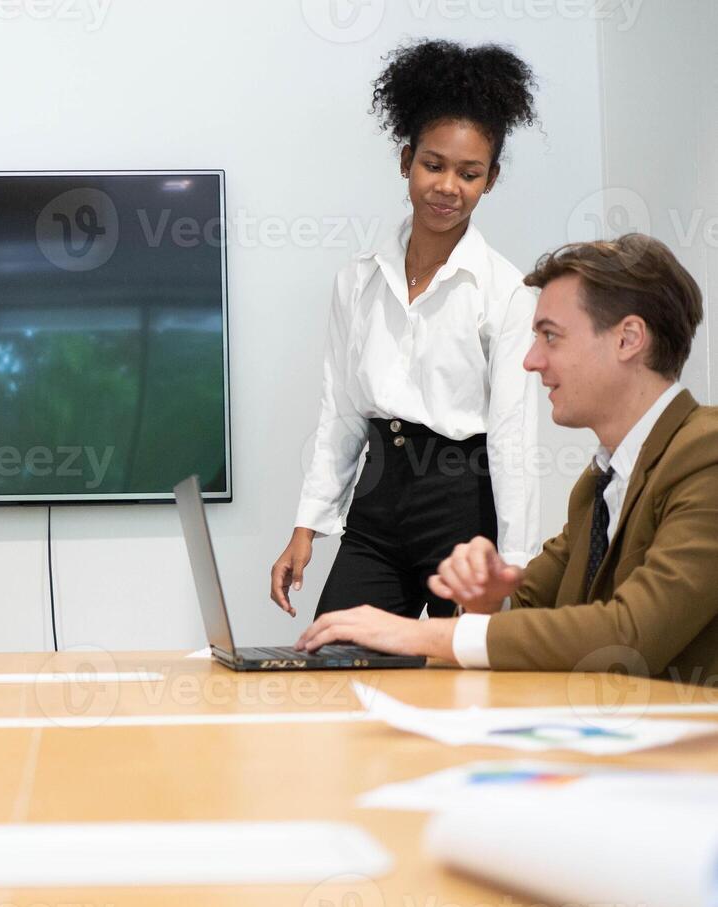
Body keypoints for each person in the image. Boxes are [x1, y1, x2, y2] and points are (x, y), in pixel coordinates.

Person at [296, 234, 718, 683]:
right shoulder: (600, 483)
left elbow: (628, 634)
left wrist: (420, 636)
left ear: (628, 338)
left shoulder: (705, 457)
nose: (531, 361)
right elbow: (528, 605)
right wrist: (486, 598)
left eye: (550, 337)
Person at [271, 39, 542, 621]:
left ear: (489, 180)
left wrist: (515, 563)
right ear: (405, 161)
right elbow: (341, 413)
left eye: (469, 174)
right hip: (377, 504)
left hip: (465, 516)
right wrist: (307, 526)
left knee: (463, 692)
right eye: (433, 164)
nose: (448, 186)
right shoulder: (357, 282)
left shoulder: (507, 291)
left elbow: (513, 437)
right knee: (334, 663)